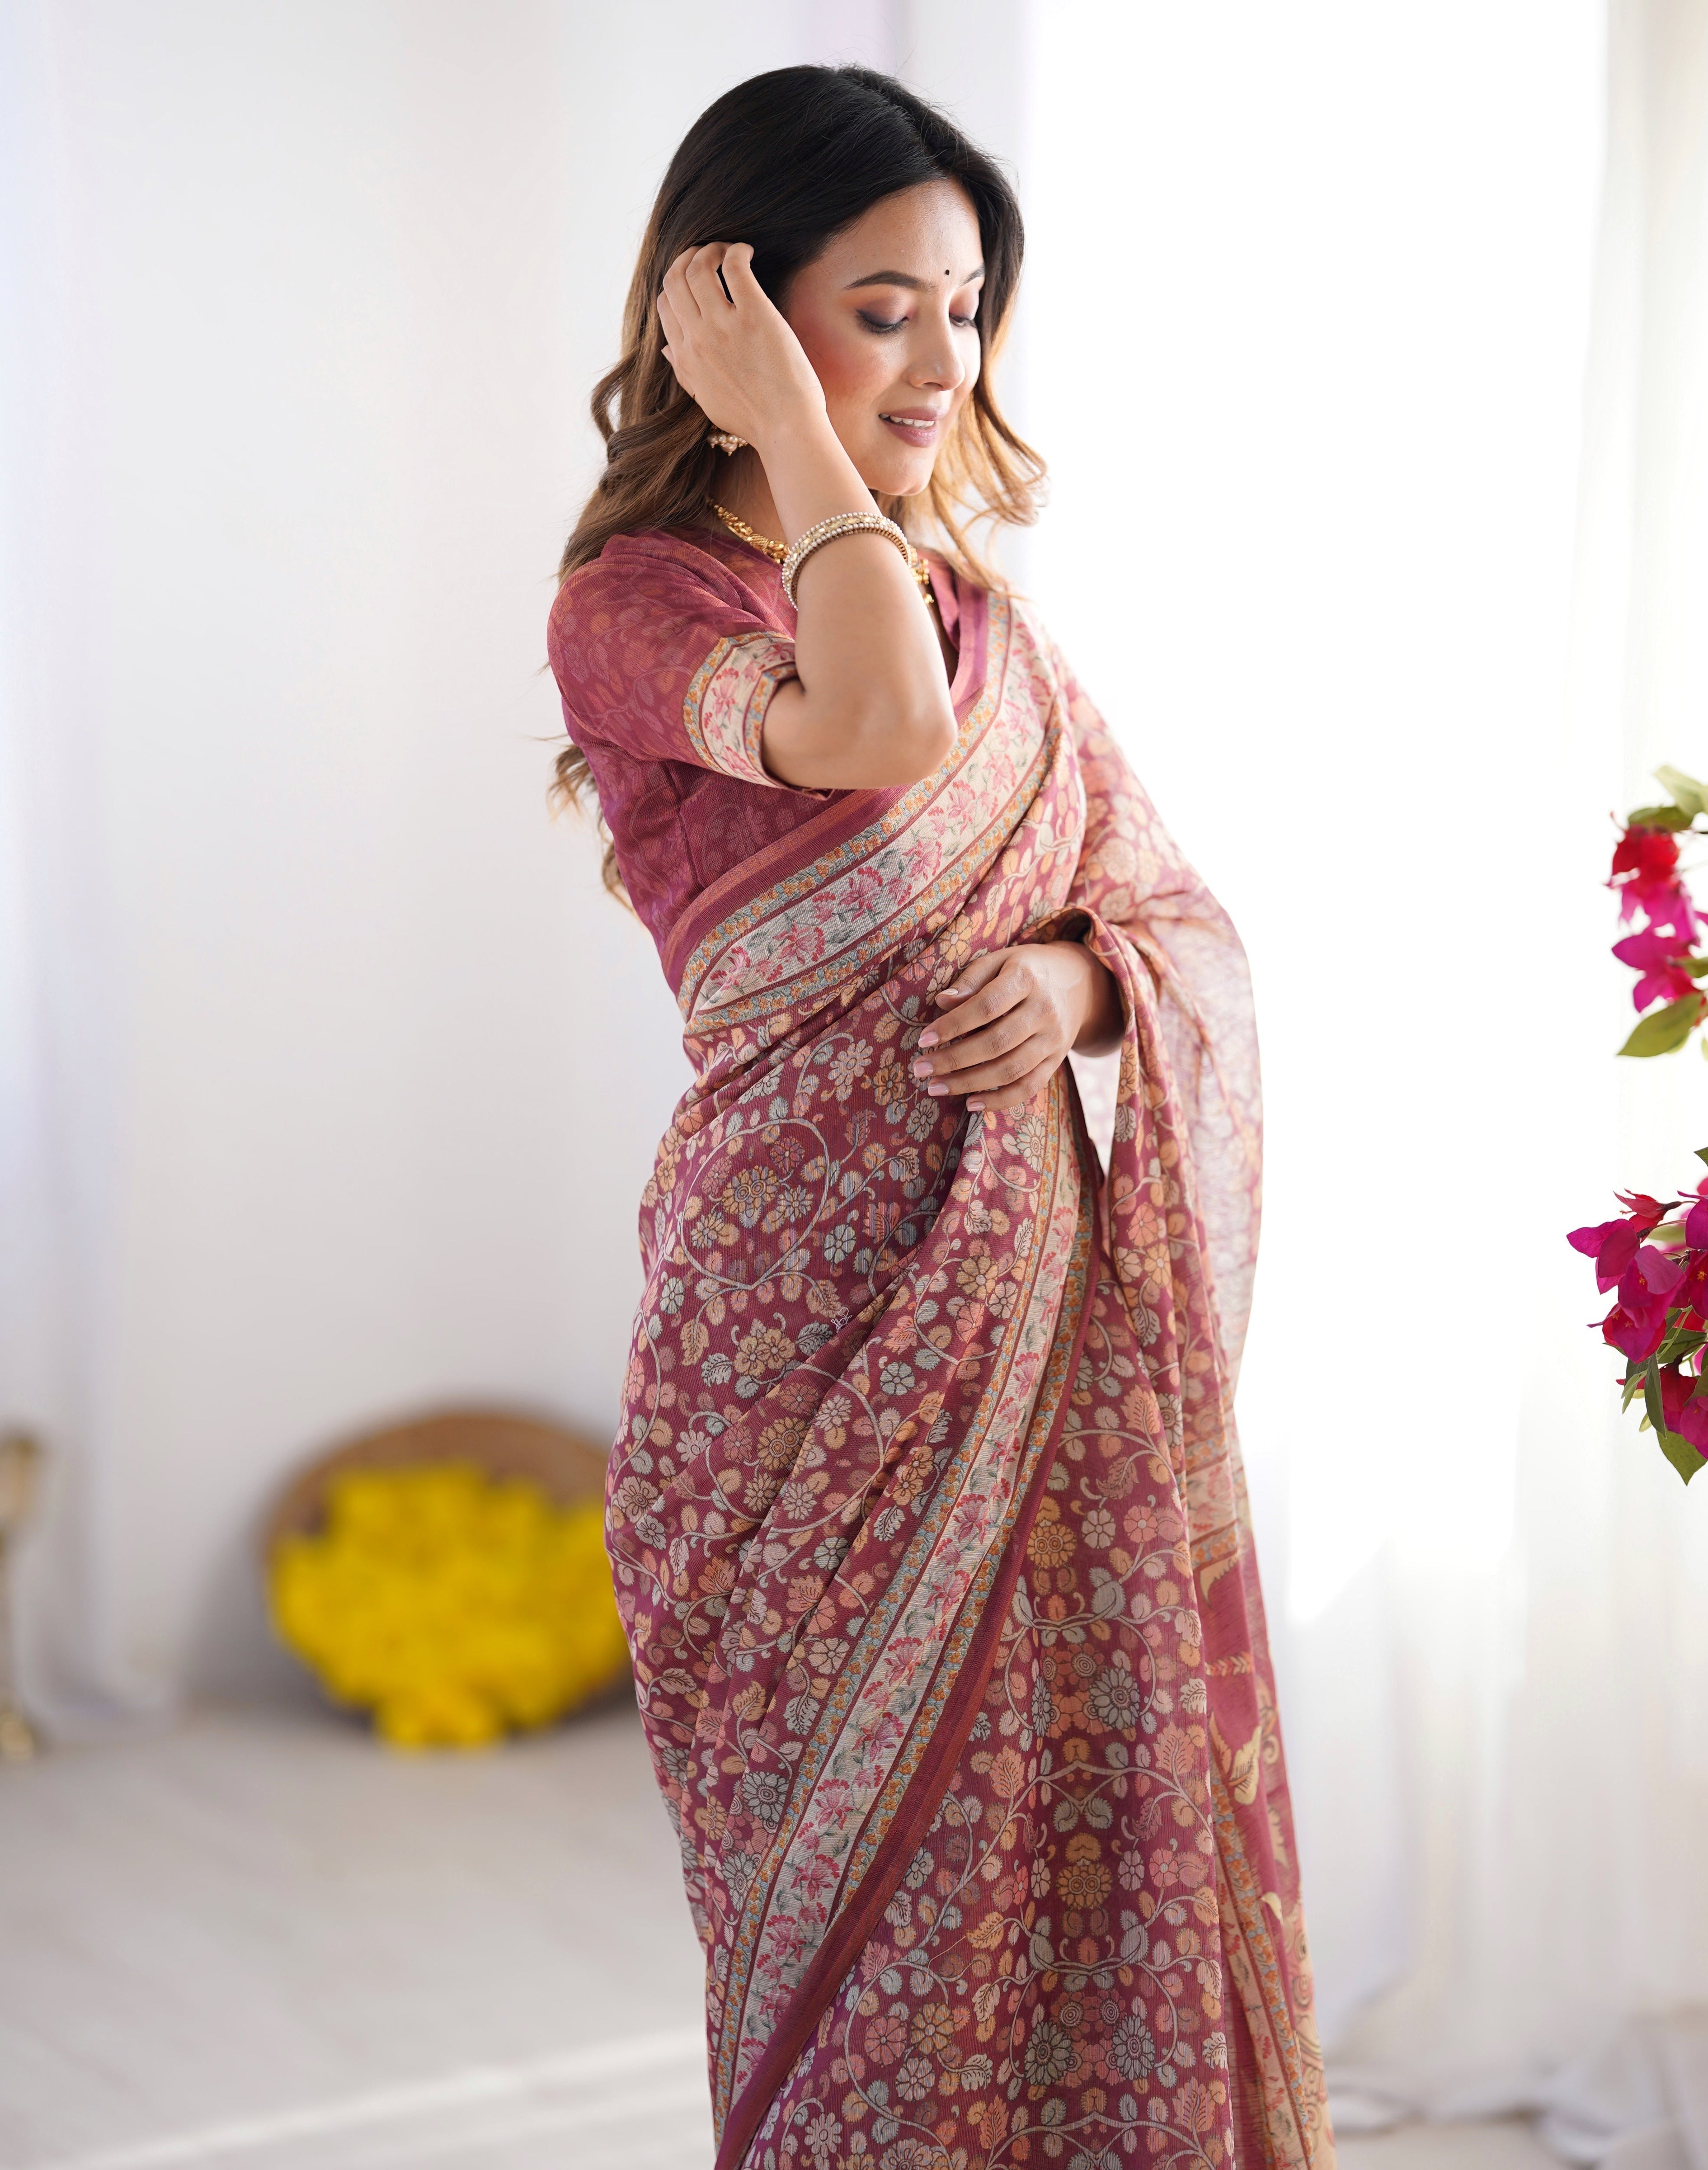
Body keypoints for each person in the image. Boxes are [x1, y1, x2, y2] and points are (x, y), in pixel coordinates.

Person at [546, 64, 1332, 2170]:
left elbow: (1170, 912)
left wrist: (1075, 985)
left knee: (1086, 1858)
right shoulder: (643, 607)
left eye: (965, 309)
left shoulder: (986, 618)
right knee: (846, 1922)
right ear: (728, 308)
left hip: (1041, 1329)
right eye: (879, 304)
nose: (940, 358)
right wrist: (805, 452)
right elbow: (872, 731)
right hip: (796, 1367)